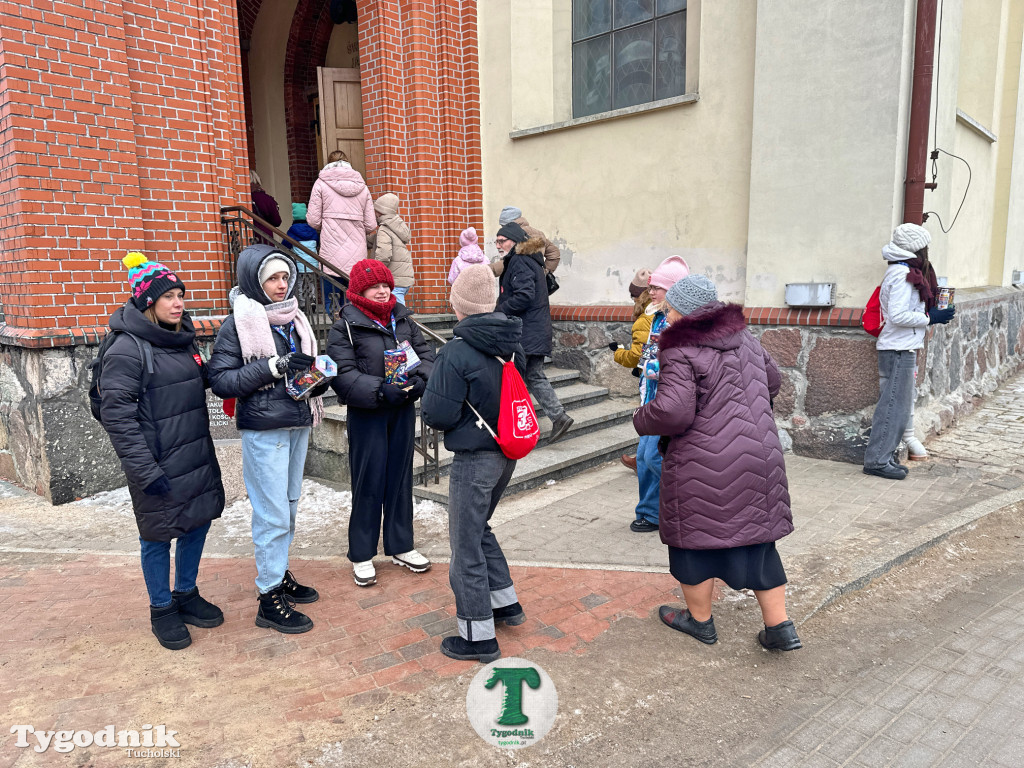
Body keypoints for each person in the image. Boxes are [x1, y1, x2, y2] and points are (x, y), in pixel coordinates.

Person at [633, 275, 802, 652]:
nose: (666, 315)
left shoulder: (679, 347)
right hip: (759, 453)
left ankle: (700, 622)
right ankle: (780, 628)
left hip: (701, 459)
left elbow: (674, 412)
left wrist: (641, 417)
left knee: (693, 541)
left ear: (686, 311)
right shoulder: (745, 338)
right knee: (759, 542)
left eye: (669, 308)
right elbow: (773, 381)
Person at [99, 253, 225, 650]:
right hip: (155, 463)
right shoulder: (127, 348)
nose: (178, 303)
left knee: (197, 522)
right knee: (156, 537)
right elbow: (117, 417)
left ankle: (185, 593)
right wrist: (144, 470)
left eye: (180, 295)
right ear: (147, 302)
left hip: (193, 454)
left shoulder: (181, 339)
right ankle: (161, 607)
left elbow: (201, 380)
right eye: (168, 297)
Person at [208, 244, 328, 634]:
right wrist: (273, 366)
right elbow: (221, 381)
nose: (280, 285)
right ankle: (268, 595)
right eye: (272, 278)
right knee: (271, 512)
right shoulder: (238, 323)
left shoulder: (294, 319)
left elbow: (298, 371)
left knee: (288, 507)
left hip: (297, 421)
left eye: (284, 277)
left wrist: (317, 378)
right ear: (254, 282)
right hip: (264, 428)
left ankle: (279, 571)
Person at [422, 264, 528, 663]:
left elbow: (437, 415)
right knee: (479, 528)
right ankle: (505, 603)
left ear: (459, 304)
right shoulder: (510, 343)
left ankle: (477, 636)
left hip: (473, 458)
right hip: (505, 451)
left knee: (464, 545)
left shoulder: (455, 351)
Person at [326, 259, 436, 587]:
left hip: (401, 408)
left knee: (400, 478)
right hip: (368, 413)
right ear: (359, 291)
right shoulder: (345, 326)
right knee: (368, 481)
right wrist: (379, 390)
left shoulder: (402, 320)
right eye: (374, 286)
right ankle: (362, 553)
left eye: (385, 284)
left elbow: (426, 357)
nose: (382, 290)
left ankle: (401, 545)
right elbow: (342, 374)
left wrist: (420, 382)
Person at [864, 223, 954, 480]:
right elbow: (898, 315)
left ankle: (882, 457)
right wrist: (930, 317)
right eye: (925, 247)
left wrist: (929, 315)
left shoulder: (903, 270)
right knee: (893, 406)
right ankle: (877, 461)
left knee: (897, 406)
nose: (927, 252)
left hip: (900, 347)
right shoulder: (902, 273)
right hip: (897, 349)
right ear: (917, 248)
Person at [495, 222, 573, 443]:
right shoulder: (529, 259)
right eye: (496, 241)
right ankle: (558, 417)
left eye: (502, 241)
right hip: (535, 330)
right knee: (534, 375)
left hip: (526, 332)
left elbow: (524, 295)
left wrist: (499, 311)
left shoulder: (520, 261)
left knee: (516, 380)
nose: (498, 245)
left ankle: (520, 426)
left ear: (514, 241)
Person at [627, 256, 690, 532]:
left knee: (654, 457)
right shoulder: (657, 317)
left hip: (667, 401)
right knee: (643, 458)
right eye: (650, 287)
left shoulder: (680, 322)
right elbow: (650, 356)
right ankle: (650, 513)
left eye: (657, 288)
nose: (651, 292)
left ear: (674, 290)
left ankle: (684, 504)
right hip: (651, 397)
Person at [307, 150, 376, 315]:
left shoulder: (321, 183)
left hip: (331, 250)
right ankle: (354, 323)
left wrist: (327, 223)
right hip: (357, 252)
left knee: (332, 297)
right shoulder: (362, 186)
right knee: (354, 297)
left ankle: (337, 323)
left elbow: (313, 220)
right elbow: (371, 224)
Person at [609, 267, 653, 472]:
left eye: (633, 296)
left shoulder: (644, 319)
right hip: (658, 373)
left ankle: (643, 461)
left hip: (652, 380)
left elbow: (636, 355)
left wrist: (618, 352)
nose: (632, 300)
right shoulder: (662, 313)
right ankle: (643, 458)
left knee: (647, 419)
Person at [492, 206, 561, 277]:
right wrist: (544, 272)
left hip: (521, 278)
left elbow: (510, 261)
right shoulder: (538, 233)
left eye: (503, 225)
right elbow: (554, 252)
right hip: (536, 279)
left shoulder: (516, 235)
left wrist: (489, 270)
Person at [371, 193, 414, 305]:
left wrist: (375, 271)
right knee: (396, 309)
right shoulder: (396, 226)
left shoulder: (384, 229)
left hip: (394, 279)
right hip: (403, 279)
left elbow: (384, 254)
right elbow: (376, 240)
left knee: (398, 311)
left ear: (380, 211)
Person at [286, 202, 320, 308]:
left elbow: (285, 244)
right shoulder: (313, 230)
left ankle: (302, 302)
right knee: (311, 282)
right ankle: (312, 299)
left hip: (299, 264)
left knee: (299, 283)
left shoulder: (292, 231)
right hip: (312, 264)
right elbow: (317, 243)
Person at [250, 170, 282, 244]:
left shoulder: (243, 198)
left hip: (247, 235)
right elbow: (277, 221)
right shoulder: (267, 199)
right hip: (265, 237)